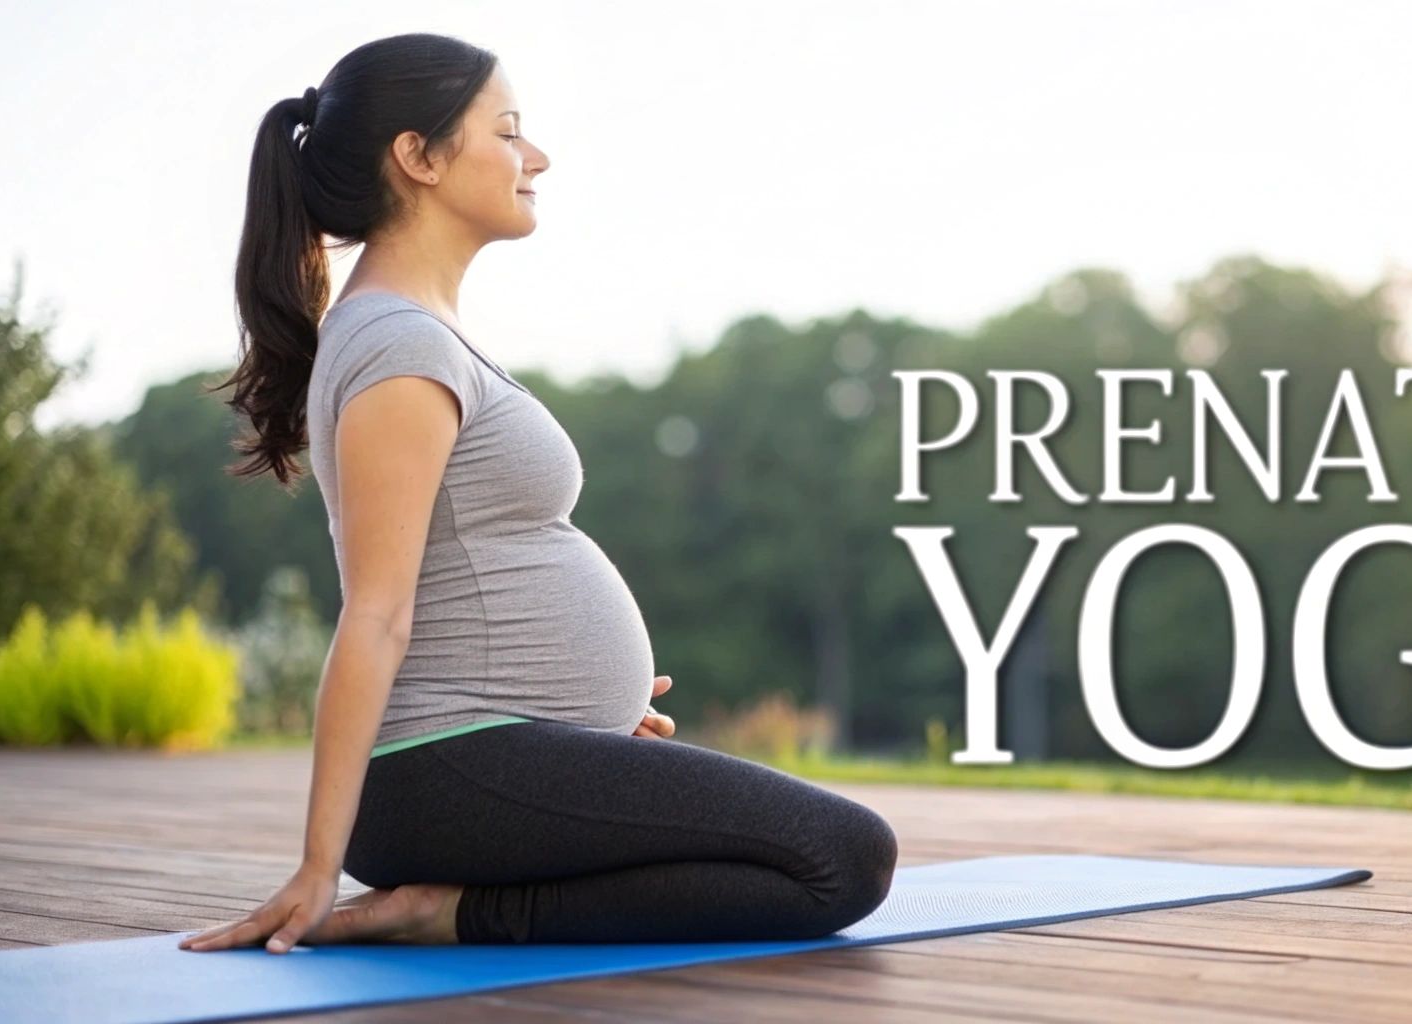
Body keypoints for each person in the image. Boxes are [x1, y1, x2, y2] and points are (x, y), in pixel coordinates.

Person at [183, 32, 897, 953]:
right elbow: (377, 615)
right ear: (418, 157)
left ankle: (469, 884)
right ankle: (450, 914)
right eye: (509, 131)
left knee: (798, 854)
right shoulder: (398, 347)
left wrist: (581, 729)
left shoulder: (416, 331)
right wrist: (318, 868)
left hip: (483, 757)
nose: (537, 157)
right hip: (441, 771)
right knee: (843, 857)